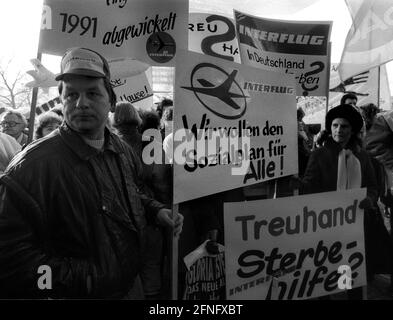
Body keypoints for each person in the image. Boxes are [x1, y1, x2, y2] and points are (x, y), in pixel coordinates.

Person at [0, 47, 183, 299]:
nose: (81, 103)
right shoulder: (31, 167)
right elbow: (12, 261)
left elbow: (127, 194)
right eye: (71, 94)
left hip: (132, 286)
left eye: (92, 93)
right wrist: (84, 281)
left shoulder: (121, 149)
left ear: (111, 101)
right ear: (61, 101)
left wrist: (155, 211)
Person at [300, 104, 382, 299]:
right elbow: (309, 188)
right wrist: (300, 184)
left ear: (352, 129)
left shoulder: (362, 156)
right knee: (324, 272)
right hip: (325, 224)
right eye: (335, 125)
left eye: (344, 126)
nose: (339, 130)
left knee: (350, 271)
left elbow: (372, 186)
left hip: (355, 225)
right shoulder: (319, 155)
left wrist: (369, 199)